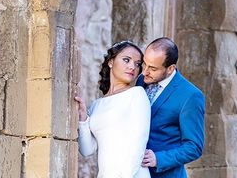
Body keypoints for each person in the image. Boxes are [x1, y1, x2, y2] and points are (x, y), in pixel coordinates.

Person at [75, 40, 151, 178]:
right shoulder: (97, 105)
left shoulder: (137, 94)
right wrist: (83, 118)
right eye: (126, 60)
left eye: (137, 64)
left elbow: (138, 144)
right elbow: (86, 150)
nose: (132, 66)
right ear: (111, 62)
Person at [138, 37, 205, 177]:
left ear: (170, 69)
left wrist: (158, 159)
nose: (145, 71)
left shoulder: (190, 96)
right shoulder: (141, 80)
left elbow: (194, 147)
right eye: (144, 64)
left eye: (153, 68)